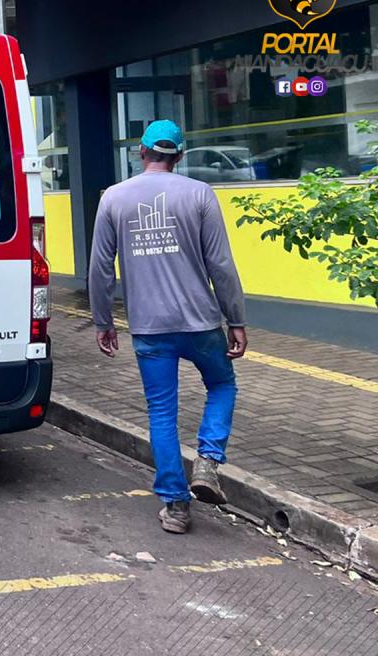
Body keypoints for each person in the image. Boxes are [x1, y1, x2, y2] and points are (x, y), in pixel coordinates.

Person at [88, 119, 247, 535]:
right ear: (178, 156)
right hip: (200, 323)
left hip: (149, 328)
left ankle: (176, 507)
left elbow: (101, 269)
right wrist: (237, 319)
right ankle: (209, 462)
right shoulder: (200, 194)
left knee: (162, 412)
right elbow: (221, 265)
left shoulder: (113, 199)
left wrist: (103, 321)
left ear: (141, 152)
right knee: (223, 385)